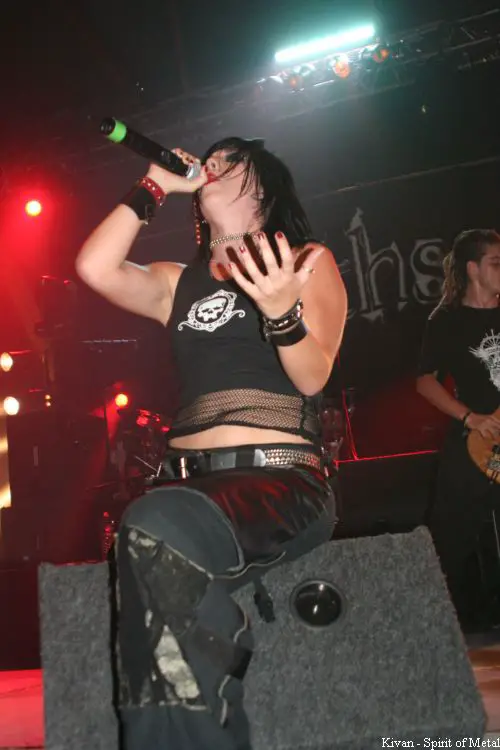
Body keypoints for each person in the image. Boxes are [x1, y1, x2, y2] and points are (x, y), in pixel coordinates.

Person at [76, 136, 347, 750]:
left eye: (230, 159)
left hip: (281, 480)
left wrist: (281, 312)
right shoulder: (179, 281)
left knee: (154, 526)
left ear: (263, 185)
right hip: (191, 487)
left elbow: (313, 376)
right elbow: (94, 268)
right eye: (210, 159)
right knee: (152, 532)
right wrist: (154, 185)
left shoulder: (304, 260)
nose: (212, 165)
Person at [416, 228, 500, 629]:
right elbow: (425, 381)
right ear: (473, 269)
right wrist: (470, 417)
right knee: (450, 535)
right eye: (496, 263)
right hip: (475, 440)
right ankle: (452, 624)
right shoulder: (446, 321)